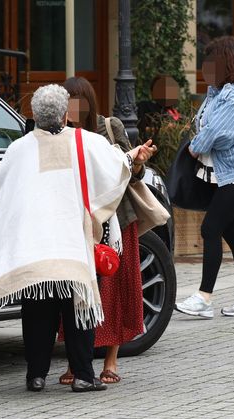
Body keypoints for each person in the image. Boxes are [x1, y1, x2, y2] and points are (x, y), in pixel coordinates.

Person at [0, 84, 155, 393]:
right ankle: (84, 376)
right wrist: (133, 156)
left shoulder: (19, 148)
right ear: (63, 114)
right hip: (73, 244)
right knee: (78, 309)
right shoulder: (86, 142)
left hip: (36, 246)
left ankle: (36, 375)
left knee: (37, 313)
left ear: (35, 115)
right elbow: (114, 166)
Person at [57, 76, 154, 385]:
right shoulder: (58, 134)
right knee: (73, 294)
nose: (71, 108)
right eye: (66, 101)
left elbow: (133, 176)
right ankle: (77, 363)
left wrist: (137, 163)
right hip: (75, 224)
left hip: (114, 224)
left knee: (113, 292)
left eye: (76, 101)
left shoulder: (109, 128)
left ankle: (111, 361)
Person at [174, 36, 234, 318]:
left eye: (211, 63)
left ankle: (204, 298)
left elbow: (220, 135)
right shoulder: (219, 92)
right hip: (230, 175)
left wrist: (194, 148)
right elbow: (206, 126)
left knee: (210, 229)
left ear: (226, 64)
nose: (205, 70)